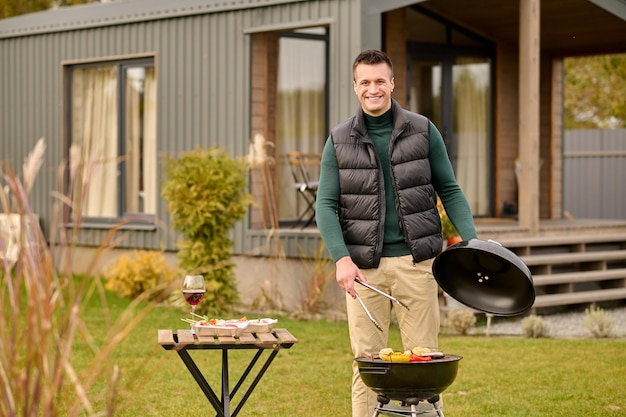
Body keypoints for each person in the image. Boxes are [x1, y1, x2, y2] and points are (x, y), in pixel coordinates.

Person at [315, 49, 477, 417]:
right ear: (355, 87)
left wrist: (471, 242)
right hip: (363, 272)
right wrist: (342, 258)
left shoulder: (422, 130)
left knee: (426, 364)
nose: (373, 88)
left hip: (417, 265)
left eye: (379, 81)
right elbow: (324, 205)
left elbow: (449, 189)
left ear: (392, 83)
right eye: (365, 82)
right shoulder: (338, 140)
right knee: (368, 367)